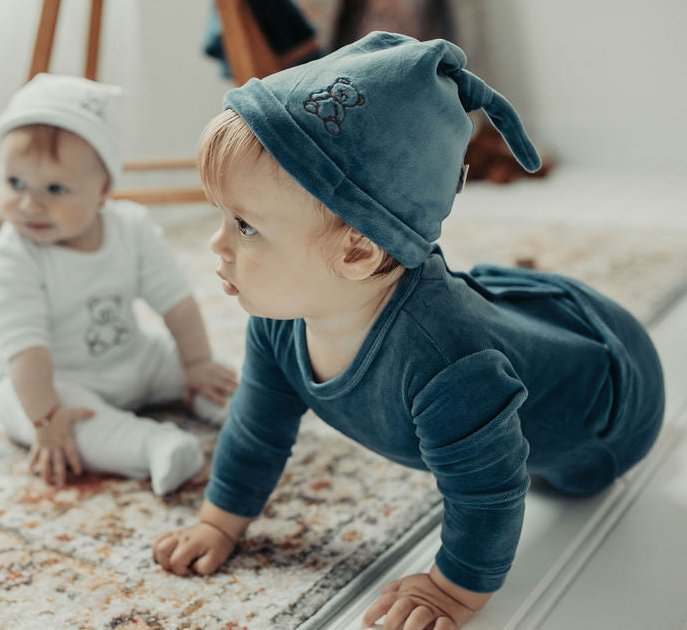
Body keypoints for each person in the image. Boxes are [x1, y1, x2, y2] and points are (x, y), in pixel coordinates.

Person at [152, 32, 664, 629]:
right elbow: (257, 428)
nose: (215, 243)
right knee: (485, 317)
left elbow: (490, 493)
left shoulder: (445, 364)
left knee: (547, 464)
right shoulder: (280, 321)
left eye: (244, 226)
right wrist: (220, 520)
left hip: (616, 399)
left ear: (357, 253)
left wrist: (453, 591)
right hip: (524, 319)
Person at [0, 73, 237, 496]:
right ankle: (154, 446)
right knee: (18, 404)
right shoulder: (9, 260)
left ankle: (245, 408)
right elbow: (28, 353)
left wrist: (197, 364)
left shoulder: (131, 228)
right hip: (57, 379)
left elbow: (177, 302)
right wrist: (45, 421)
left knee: (209, 367)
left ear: (103, 191)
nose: (29, 204)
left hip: (133, 356)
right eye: (14, 183)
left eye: (55, 188)